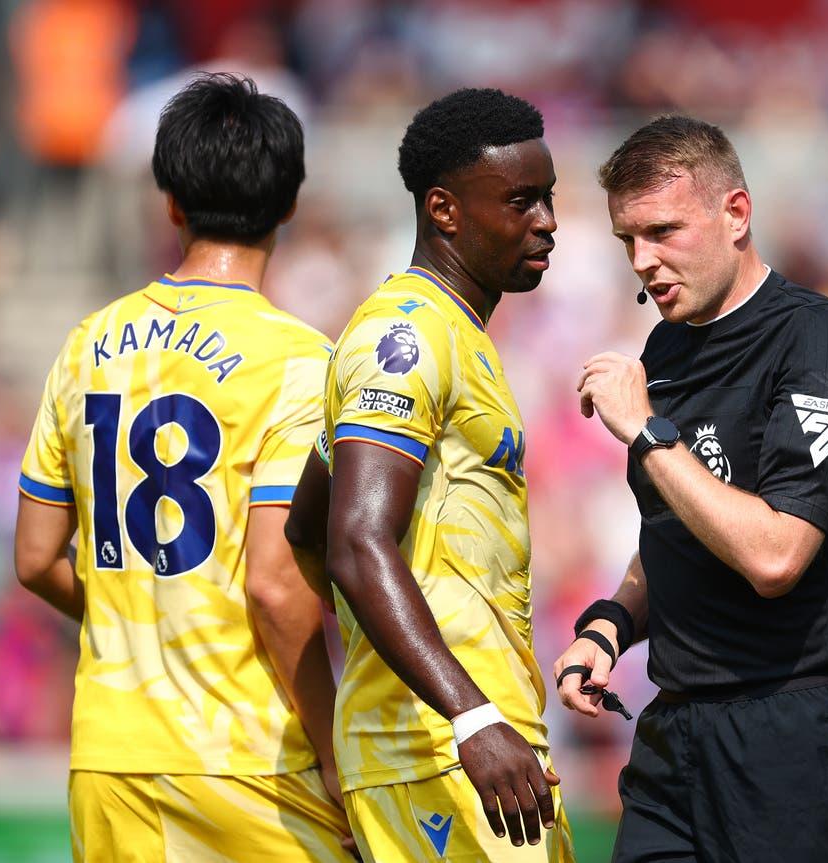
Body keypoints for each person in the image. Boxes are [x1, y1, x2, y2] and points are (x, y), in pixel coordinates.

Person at [12, 73, 356, 861]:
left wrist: (143, 619)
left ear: (169, 201)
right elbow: (274, 586)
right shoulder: (302, 362)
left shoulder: (87, 344)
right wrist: (334, 751)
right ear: (291, 205)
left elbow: (35, 558)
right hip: (246, 758)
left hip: (111, 755)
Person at [554, 115, 828, 862]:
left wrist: (647, 430)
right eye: (627, 240)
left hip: (791, 736)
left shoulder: (820, 341)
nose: (643, 261)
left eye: (663, 231)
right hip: (674, 734)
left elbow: (775, 554)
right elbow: (680, 526)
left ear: (735, 213)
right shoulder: (665, 349)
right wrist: (611, 622)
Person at [285, 88, 574, 863]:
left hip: (466, 744)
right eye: (521, 201)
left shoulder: (454, 333)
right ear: (444, 210)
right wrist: (470, 715)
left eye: (547, 198)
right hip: (446, 752)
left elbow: (308, 522)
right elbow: (352, 540)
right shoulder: (403, 334)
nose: (547, 221)